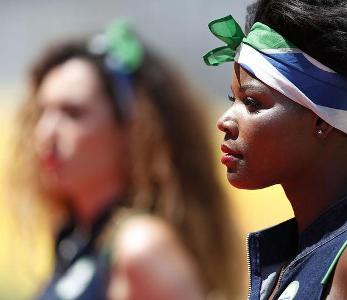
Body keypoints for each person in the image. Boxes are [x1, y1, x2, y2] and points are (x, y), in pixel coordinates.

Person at [204, 0, 347, 299]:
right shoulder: (300, 253)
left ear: (323, 120)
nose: (224, 121)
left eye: (252, 103)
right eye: (232, 99)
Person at [12, 21, 242, 300]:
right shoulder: (76, 237)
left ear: (134, 130)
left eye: (73, 113)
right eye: (42, 112)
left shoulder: (140, 247)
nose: (44, 133)